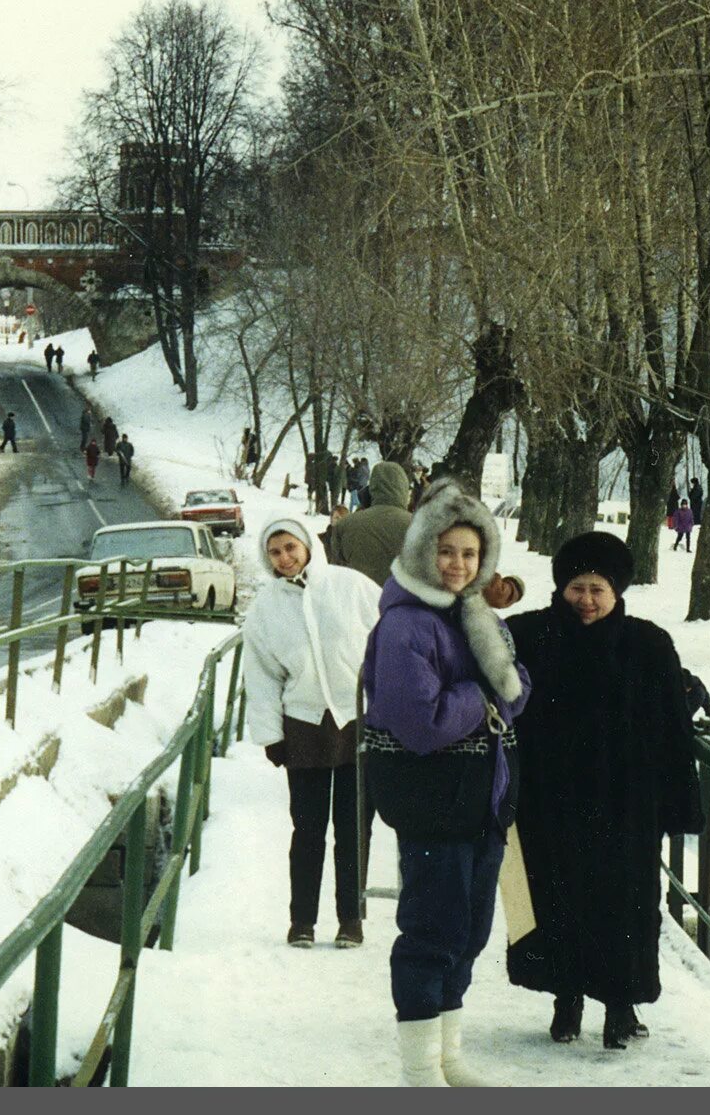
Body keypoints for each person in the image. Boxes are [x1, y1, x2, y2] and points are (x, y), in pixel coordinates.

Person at [503, 531, 704, 1050]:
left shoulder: (648, 643)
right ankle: (565, 998)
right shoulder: (529, 636)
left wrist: (680, 804)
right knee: (556, 900)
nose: (587, 601)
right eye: (577, 588)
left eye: (597, 589)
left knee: (626, 907)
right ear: (560, 589)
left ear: (617, 592)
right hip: (552, 802)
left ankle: (620, 1005)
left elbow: (673, 729)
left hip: (626, 806)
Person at [362, 480, 532, 1087]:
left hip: (480, 803)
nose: (458, 565)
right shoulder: (408, 624)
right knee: (431, 933)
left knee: (468, 933)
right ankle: (419, 1071)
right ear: (420, 553)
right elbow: (420, 724)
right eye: (446, 552)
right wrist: (484, 692)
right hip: (434, 803)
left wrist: (495, 691)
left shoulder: (473, 614)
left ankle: (447, 1057)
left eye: (469, 553)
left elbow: (520, 686)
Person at [244, 519, 383, 952]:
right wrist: (271, 735)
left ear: (307, 545)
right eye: (275, 552)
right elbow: (262, 676)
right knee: (307, 829)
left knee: (353, 826)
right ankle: (302, 920)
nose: (285, 558)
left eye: (290, 547)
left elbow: (388, 641)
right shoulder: (264, 608)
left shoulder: (352, 585)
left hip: (357, 720)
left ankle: (350, 919)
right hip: (303, 724)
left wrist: (389, 709)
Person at [327, 461, 414, 585]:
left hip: (355, 600)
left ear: (372, 486)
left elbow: (336, 574)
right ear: (404, 489)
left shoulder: (345, 525)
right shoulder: (419, 527)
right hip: (400, 602)